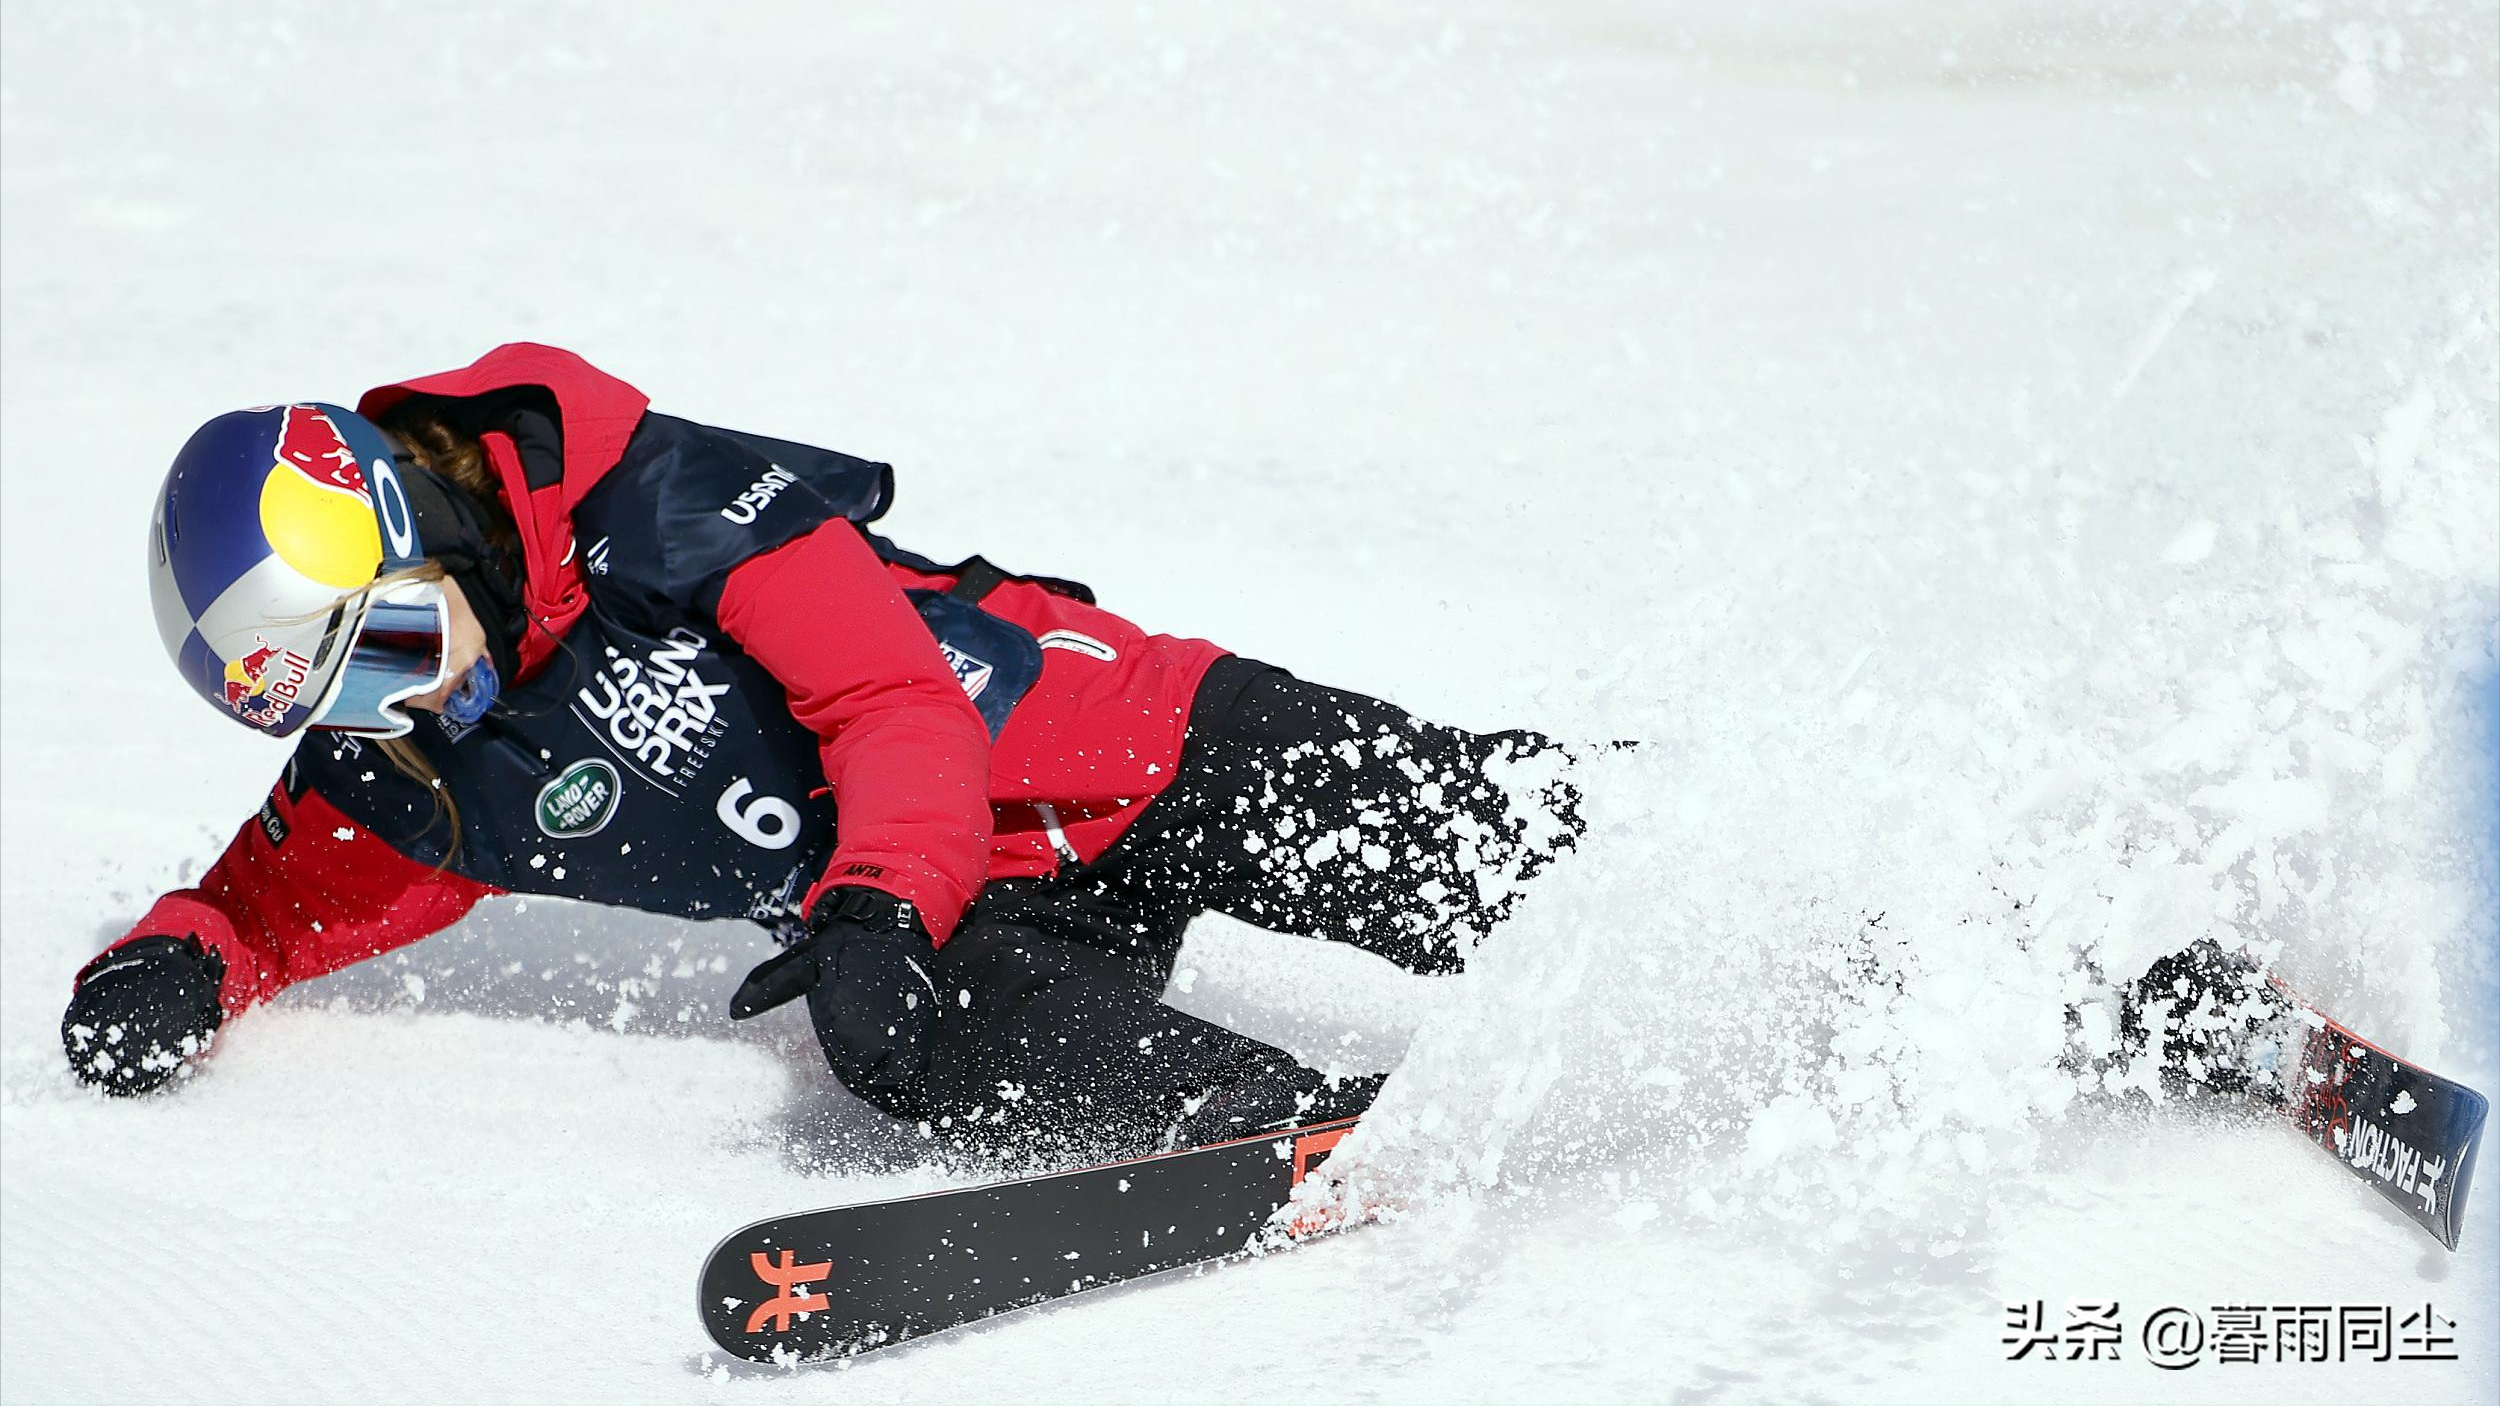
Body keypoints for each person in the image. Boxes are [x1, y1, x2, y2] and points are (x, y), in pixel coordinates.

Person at [65, 343, 1585, 1158]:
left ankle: (1784, 895)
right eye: (336, 702)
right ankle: (1312, 1131)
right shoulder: (414, 761)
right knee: (907, 1036)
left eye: (390, 647)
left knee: (1513, 857)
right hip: (975, 917)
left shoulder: (640, 498)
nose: (393, 709)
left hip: (1136, 744)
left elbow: (893, 701)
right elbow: (263, 902)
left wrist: (870, 905)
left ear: (431, 528)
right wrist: (173, 962)